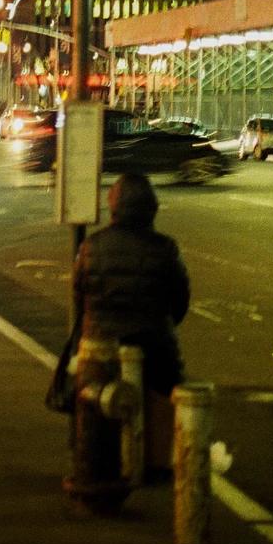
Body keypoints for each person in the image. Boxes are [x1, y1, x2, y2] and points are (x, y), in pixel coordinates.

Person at [72, 172, 190, 480]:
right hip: (153, 342)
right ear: (151, 208)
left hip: (102, 346)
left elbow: (80, 295)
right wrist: (160, 323)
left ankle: (99, 454)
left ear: (113, 207)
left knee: (91, 387)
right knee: (169, 381)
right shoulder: (165, 248)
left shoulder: (90, 247)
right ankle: (156, 462)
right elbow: (180, 299)